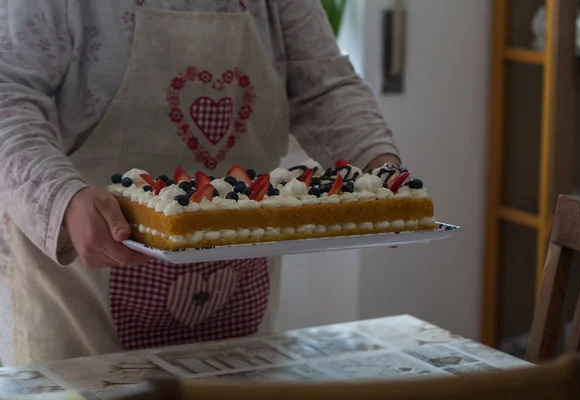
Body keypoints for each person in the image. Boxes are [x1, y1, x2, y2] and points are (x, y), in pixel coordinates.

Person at [0, 0, 402, 365]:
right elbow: (8, 93)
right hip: (83, 309)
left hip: (240, 305)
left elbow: (325, 87)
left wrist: (382, 173)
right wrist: (62, 198)